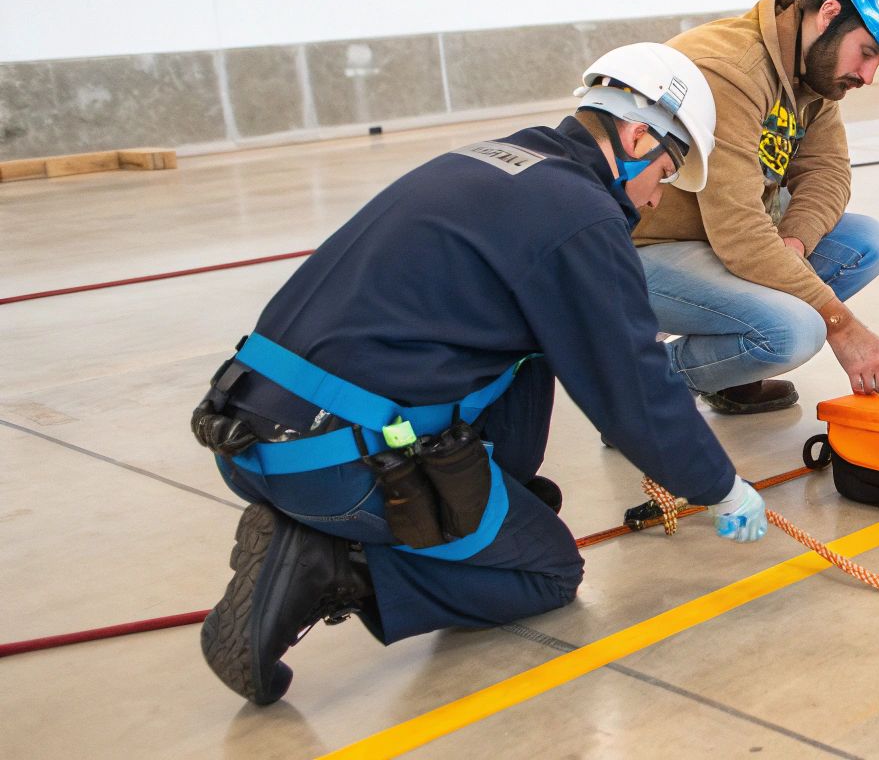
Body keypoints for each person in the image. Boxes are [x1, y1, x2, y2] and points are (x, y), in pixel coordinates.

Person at [189, 43, 768, 707]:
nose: (658, 194)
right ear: (638, 134)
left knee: (525, 382)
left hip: (247, 433)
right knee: (547, 570)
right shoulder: (581, 216)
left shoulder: (489, 162)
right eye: (664, 171)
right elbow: (632, 390)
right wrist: (719, 487)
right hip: (328, 465)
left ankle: (356, 527)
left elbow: (530, 354)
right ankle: (332, 564)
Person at [633, 0, 879, 413]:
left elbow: (828, 172)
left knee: (865, 242)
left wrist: (794, 239)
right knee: (794, 331)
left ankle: (728, 371)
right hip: (640, 254)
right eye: (867, 53)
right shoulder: (732, 71)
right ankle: (635, 385)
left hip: (717, 240)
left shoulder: (815, 71)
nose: (868, 76)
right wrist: (843, 326)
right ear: (830, 14)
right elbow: (739, 234)